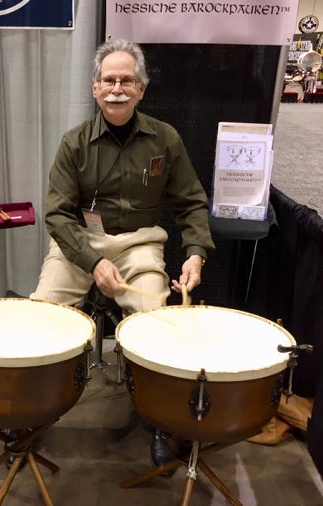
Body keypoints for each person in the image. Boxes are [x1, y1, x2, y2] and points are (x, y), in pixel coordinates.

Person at [30, 38, 215, 469]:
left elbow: (191, 203)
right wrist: (93, 261)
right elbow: (57, 214)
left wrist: (195, 253)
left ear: (141, 88)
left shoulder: (165, 139)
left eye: (126, 80)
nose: (117, 88)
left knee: (154, 323)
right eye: (108, 80)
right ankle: (32, 411)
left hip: (139, 242)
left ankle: (159, 419)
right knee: (43, 313)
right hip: (81, 242)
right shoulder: (74, 143)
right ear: (95, 88)